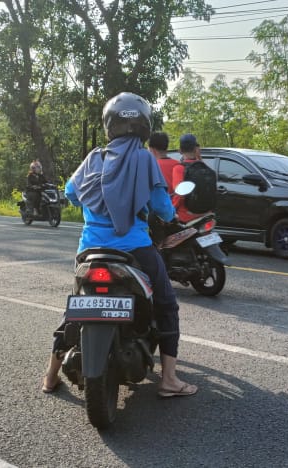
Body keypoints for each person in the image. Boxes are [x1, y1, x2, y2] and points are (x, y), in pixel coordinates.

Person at [42, 92, 198, 398]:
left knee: (76, 308)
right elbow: (163, 207)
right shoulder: (144, 159)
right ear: (144, 126)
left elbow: (72, 193)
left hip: (90, 250)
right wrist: (167, 217)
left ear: (109, 124)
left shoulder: (93, 158)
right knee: (166, 303)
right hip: (135, 248)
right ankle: (168, 379)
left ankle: (49, 377)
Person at [147, 131, 182, 242]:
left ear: (151, 149)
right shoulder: (178, 165)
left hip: (158, 217)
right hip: (175, 214)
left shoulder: (150, 167)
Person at [174, 133, 203, 223]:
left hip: (186, 216)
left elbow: (180, 194)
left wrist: (171, 209)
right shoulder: (203, 166)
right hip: (205, 212)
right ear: (195, 149)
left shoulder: (179, 168)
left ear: (180, 150)